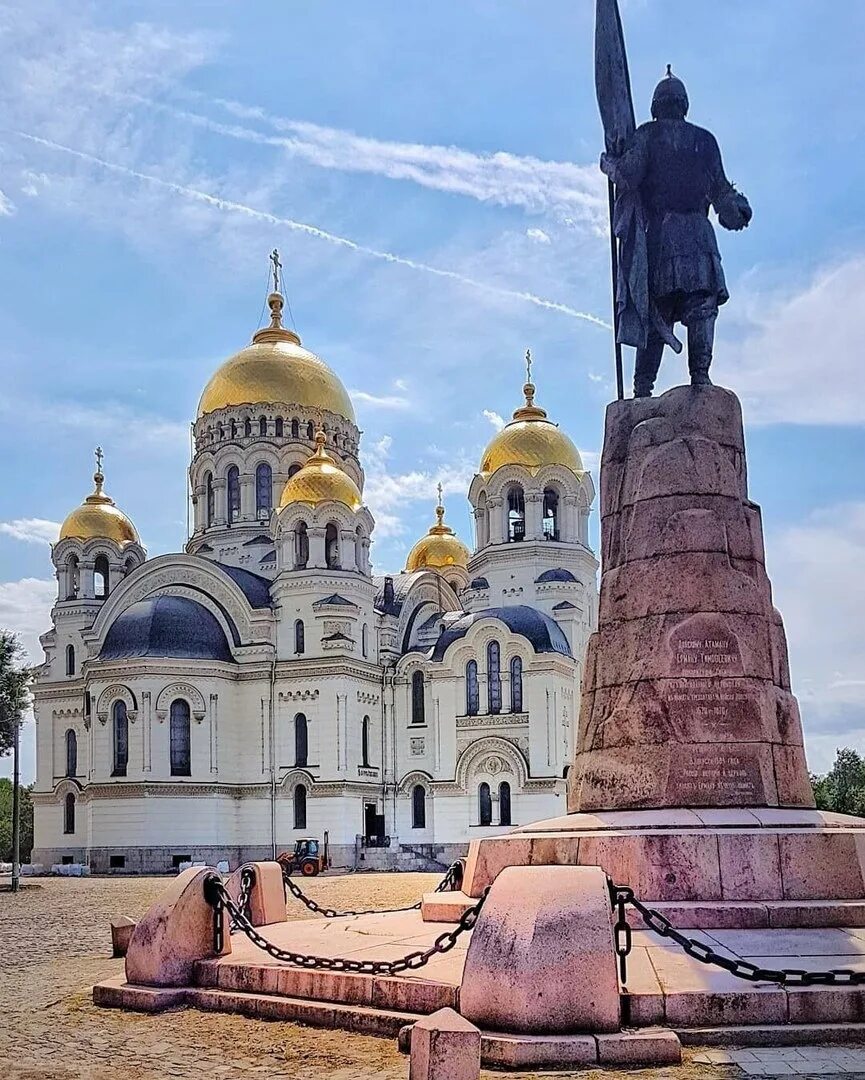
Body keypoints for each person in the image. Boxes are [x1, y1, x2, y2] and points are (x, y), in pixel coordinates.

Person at [601, 67, 752, 397]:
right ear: (684, 104)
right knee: (701, 309)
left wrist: (608, 163)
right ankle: (701, 377)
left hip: (662, 238)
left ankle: (643, 389)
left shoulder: (647, 136)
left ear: (656, 106)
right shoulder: (704, 141)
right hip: (699, 235)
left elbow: (627, 175)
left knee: (656, 314)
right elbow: (723, 194)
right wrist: (737, 209)